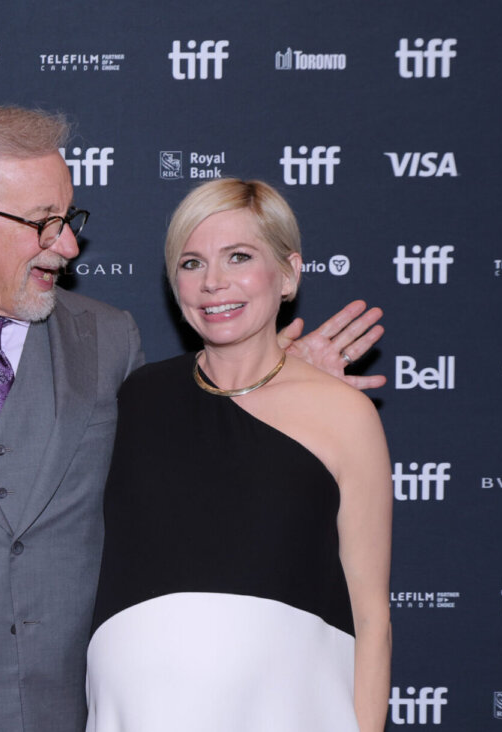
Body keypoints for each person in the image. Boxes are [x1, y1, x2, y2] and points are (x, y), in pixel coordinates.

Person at [0, 107, 385, 731]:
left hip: (85, 708)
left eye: (70, 220)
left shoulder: (109, 341)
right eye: (44, 223)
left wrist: (281, 372)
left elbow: (201, 449)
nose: (70, 245)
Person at [86, 178, 392, 731]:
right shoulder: (137, 397)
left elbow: (371, 616)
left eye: (239, 257)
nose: (213, 283)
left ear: (289, 273)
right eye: (191, 263)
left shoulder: (345, 416)